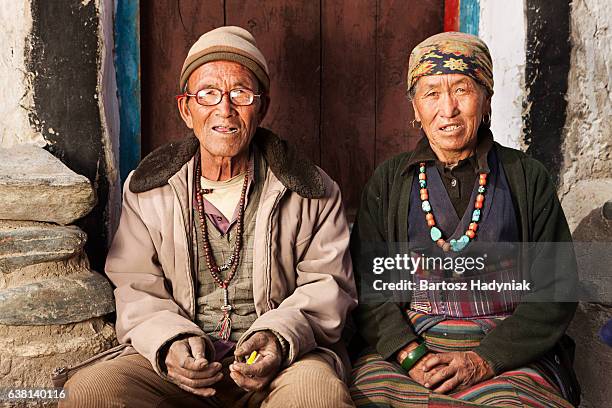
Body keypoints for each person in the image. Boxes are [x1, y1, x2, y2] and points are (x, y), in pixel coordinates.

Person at [60, 26, 356, 408]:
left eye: (241, 94)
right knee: (90, 394)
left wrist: (278, 338)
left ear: (261, 107)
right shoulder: (150, 188)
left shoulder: (312, 189)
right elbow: (135, 285)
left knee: (318, 398)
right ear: (187, 109)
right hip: (183, 363)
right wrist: (170, 343)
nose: (225, 108)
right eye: (208, 94)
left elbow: (328, 286)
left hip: (279, 363)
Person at [349, 32, 579, 407]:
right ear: (415, 108)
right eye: (431, 93)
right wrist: (408, 353)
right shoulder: (390, 181)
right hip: (411, 347)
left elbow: (556, 288)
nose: (448, 109)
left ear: (486, 99)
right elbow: (367, 285)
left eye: (462, 90)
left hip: (505, 352)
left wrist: (483, 360)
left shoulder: (527, 176)